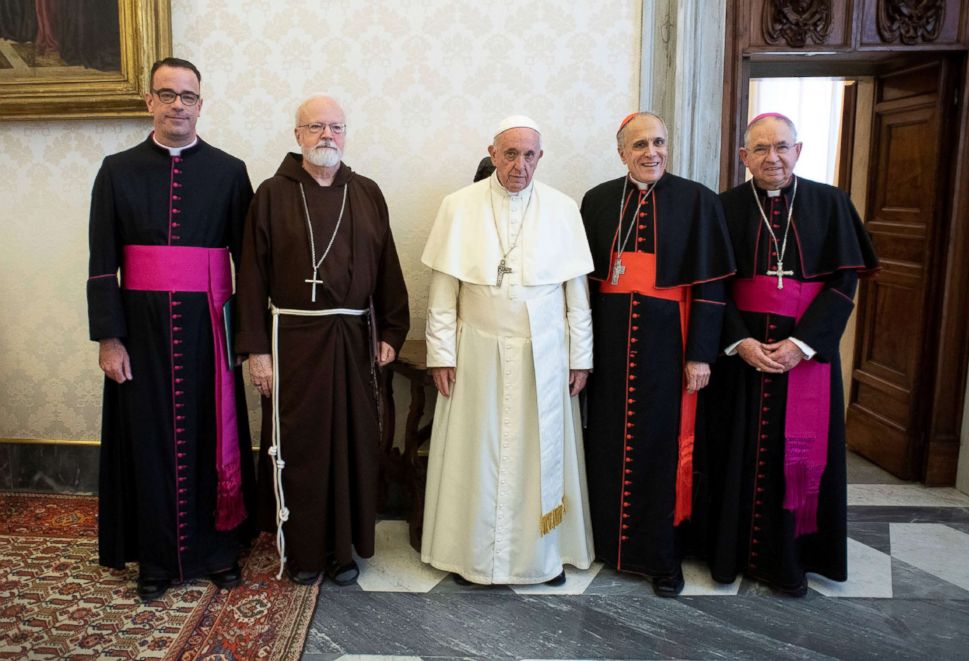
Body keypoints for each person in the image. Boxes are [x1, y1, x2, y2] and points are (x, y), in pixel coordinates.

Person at [87, 57, 255, 601]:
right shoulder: (116, 169)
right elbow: (100, 261)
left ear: (201, 104)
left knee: (213, 435)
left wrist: (247, 341)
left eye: (188, 96)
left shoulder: (230, 171)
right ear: (149, 102)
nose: (178, 104)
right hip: (141, 332)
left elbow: (248, 263)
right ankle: (155, 560)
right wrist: (109, 339)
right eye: (167, 94)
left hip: (210, 329)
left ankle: (219, 551)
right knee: (149, 441)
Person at [236, 95, 409, 587]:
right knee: (303, 447)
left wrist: (393, 331)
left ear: (346, 134)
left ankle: (343, 550)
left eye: (335, 127)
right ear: (297, 136)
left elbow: (387, 268)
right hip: (291, 340)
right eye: (315, 127)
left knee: (353, 442)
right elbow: (250, 276)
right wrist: (256, 351)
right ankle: (306, 550)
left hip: (354, 338)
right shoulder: (270, 194)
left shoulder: (368, 192)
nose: (326, 136)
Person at [707, 113, 878, 596]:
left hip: (807, 358)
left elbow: (844, 283)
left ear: (798, 151)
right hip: (743, 358)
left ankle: (793, 560)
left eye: (781, 147)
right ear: (744, 158)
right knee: (735, 454)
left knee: (797, 457)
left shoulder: (830, 203)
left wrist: (802, 344)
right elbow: (713, 287)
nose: (772, 158)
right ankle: (730, 556)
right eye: (760, 149)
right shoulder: (724, 208)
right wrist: (739, 342)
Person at [420, 116, 595, 586]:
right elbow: (443, 291)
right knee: (476, 454)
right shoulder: (458, 206)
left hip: (544, 353)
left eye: (530, 154)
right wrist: (441, 353)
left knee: (541, 454)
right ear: (493, 153)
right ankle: (472, 557)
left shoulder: (562, 208)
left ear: (541, 157)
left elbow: (575, 293)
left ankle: (542, 557)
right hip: (476, 350)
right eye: (511, 154)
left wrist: (581, 357)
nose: (521, 165)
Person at [580, 112, 736, 597]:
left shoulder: (697, 201)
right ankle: (608, 545)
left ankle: (661, 557)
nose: (653, 152)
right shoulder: (598, 200)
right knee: (606, 443)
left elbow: (711, 286)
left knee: (661, 451)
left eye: (660, 142)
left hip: (669, 347)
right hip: (609, 347)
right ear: (622, 151)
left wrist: (701, 355)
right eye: (641, 144)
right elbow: (581, 285)